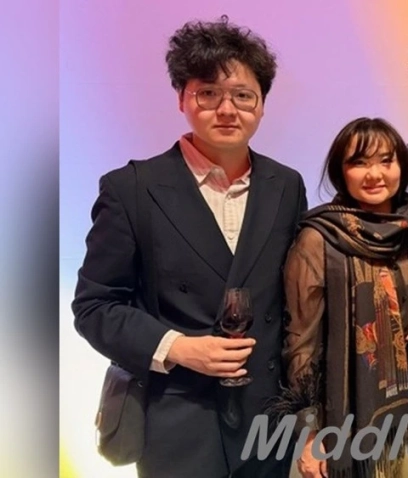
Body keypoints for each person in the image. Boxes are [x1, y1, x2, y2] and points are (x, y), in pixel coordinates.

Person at [71, 16, 305, 477]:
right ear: (182, 97)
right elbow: (94, 306)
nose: (227, 109)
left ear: (262, 104)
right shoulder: (132, 188)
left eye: (243, 95)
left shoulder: (286, 185)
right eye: (208, 93)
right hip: (176, 417)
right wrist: (176, 347)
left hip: (268, 421)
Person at [272, 117, 408, 478]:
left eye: (386, 160)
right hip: (336, 427)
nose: (374, 174)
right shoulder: (319, 238)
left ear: (402, 167)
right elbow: (300, 342)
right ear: (340, 172)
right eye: (359, 162)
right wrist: (310, 432)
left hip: (396, 420)